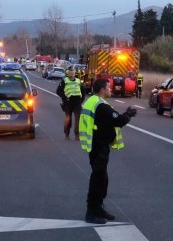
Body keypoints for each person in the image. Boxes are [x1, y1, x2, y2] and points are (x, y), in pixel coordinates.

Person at [79, 78, 137, 224]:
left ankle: (98, 208)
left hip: (95, 145)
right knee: (98, 180)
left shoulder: (92, 101)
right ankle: (91, 212)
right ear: (102, 90)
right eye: (109, 87)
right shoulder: (101, 106)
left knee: (102, 179)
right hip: (99, 147)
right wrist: (129, 114)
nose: (111, 89)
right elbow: (118, 120)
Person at [57, 67, 84, 140]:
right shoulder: (64, 81)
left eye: (73, 73)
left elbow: (83, 92)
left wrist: (81, 101)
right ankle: (67, 133)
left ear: (75, 73)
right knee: (68, 119)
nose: (71, 74)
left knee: (78, 119)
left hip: (77, 102)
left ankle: (77, 135)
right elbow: (58, 91)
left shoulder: (78, 81)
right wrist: (65, 98)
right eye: (70, 73)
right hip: (68, 102)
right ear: (68, 73)